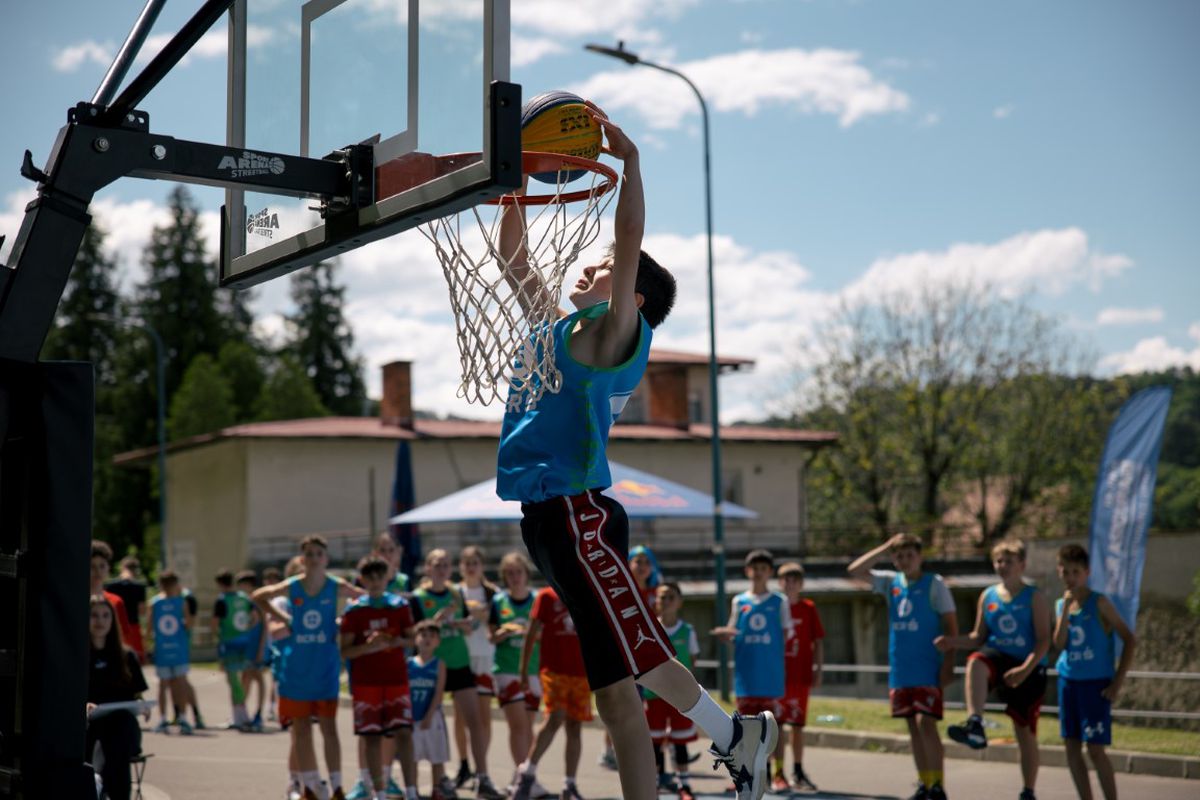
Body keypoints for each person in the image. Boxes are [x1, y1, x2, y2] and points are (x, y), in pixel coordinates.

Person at [496, 104, 776, 800]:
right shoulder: (559, 330)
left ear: (631, 289)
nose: (588, 268)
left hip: (578, 516)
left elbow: (628, 234)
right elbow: (512, 258)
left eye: (603, 266)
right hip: (545, 522)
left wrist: (633, 164)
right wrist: (510, 186)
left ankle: (738, 737)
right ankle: (737, 737)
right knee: (624, 683)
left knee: (635, 666)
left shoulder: (615, 333)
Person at [936, 540, 1050, 800]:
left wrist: (1024, 669)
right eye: (999, 561)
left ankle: (1028, 791)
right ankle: (975, 723)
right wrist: (951, 642)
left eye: (1009, 561)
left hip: (1027, 667)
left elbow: (1044, 640)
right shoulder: (988, 596)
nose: (1003, 566)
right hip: (998, 660)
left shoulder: (1034, 597)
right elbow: (978, 637)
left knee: (1025, 731)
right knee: (976, 660)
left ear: (1022, 565)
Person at [253, 535, 366, 800]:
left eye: (319, 554)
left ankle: (337, 786)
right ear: (302, 560)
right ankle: (310, 787)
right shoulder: (293, 586)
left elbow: (363, 599)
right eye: (310, 554)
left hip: (325, 667)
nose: (314, 559)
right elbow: (259, 596)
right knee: (300, 728)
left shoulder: (335, 586)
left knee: (329, 727)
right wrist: (286, 618)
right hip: (296, 669)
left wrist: (342, 623)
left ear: (326, 559)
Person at [849, 534, 958, 800]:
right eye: (899, 555)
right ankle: (924, 782)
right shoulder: (891, 583)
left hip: (928, 667)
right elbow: (855, 571)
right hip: (901, 669)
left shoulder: (935, 584)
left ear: (920, 557)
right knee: (912, 726)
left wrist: (949, 665)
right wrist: (886, 546)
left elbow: (951, 626)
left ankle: (938, 786)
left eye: (910, 555)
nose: (905, 560)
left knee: (926, 724)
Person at [412, 549, 502, 798]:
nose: (441, 569)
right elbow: (415, 634)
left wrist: (464, 623)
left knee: (475, 721)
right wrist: (439, 622)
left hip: (459, 662)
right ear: (428, 568)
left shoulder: (456, 594)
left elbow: (468, 626)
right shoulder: (419, 597)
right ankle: (432, 781)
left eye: (445, 565)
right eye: (436, 564)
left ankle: (482, 777)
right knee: (430, 723)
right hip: (432, 667)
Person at [1053, 544, 1136, 800]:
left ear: (1086, 572)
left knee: (1096, 749)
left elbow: (1129, 640)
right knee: (1071, 746)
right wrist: (1065, 610)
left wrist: (1116, 683)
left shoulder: (1099, 602)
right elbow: (1058, 644)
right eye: (1065, 572)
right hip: (1069, 682)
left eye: (1075, 572)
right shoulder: (1060, 605)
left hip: (1095, 684)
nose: (1070, 578)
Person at [340, 555, 419, 800]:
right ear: (362, 580)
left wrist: (397, 642)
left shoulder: (399, 606)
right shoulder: (354, 611)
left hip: (396, 679)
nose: (374, 582)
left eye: (379, 577)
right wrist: (368, 647)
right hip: (366, 683)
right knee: (371, 736)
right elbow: (345, 651)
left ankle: (411, 791)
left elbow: (412, 639)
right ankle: (379, 792)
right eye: (369, 578)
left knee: (403, 734)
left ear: (387, 578)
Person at [712, 550, 791, 793]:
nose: (758, 572)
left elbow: (786, 634)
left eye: (763, 568)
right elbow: (734, 632)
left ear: (770, 572)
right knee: (745, 730)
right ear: (747, 571)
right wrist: (725, 635)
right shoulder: (739, 601)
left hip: (771, 675)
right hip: (746, 676)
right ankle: (744, 775)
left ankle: (778, 774)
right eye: (753, 568)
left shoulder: (780, 601)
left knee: (775, 727)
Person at [512, 586, 589, 800]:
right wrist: (524, 670)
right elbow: (531, 631)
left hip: (580, 671)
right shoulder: (546, 596)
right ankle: (527, 774)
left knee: (575, 726)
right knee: (555, 717)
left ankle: (569, 784)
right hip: (553, 671)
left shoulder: (586, 592)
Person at [86, 594, 150, 800]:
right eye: (94, 615)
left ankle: (101, 786)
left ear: (113, 621)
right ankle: (104, 788)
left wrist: (142, 705)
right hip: (90, 728)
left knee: (120, 726)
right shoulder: (78, 656)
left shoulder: (126, 656)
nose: (100, 621)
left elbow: (137, 694)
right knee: (110, 743)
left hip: (123, 729)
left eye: (106, 616)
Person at [488, 551, 542, 795]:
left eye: (518, 572)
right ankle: (524, 779)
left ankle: (521, 776)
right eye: (509, 573)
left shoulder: (537, 599)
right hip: (507, 670)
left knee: (528, 727)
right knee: (518, 726)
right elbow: (492, 636)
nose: (514, 577)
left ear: (526, 573)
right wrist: (505, 632)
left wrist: (527, 632)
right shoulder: (499, 602)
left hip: (533, 670)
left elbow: (546, 634)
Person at [646, 582, 701, 800]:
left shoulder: (688, 631)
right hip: (655, 695)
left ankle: (684, 785)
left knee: (680, 742)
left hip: (680, 698)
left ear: (679, 602)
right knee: (655, 742)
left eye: (670, 597)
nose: (665, 601)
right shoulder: (649, 628)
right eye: (661, 597)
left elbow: (693, 660)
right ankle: (656, 784)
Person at [777, 561, 824, 793]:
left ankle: (797, 769)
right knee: (776, 725)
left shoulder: (808, 607)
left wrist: (819, 668)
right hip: (777, 677)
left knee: (797, 725)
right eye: (786, 579)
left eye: (795, 580)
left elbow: (818, 641)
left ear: (802, 584)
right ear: (779, 582)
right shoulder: (774, 605)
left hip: (801, 673)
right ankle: (775, 772)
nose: (790, 584)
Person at [455, 546, 499, 793]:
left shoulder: (492, 593)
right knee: (461, 717)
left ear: (482, 566)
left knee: (483, 717)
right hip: (462, 657)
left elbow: (495, 618)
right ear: (461, 566)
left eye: (475, 562)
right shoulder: (456, 592)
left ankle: (480, 766)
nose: (471, 566)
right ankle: (464, 765)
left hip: (485, 657)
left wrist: (481, 614)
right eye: (467, 562)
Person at [408, 620, 452, 800]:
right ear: (415, 639)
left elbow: (438, 693)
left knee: (436, 756)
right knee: (412, 757)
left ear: (438, 642)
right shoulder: (408, 664)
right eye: (423, 635)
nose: (427, 639)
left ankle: (436, 789)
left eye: (432, 636)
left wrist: (429, 715)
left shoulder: (439, 664)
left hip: (431, 717)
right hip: (412, 716)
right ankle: (413, 789)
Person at [149, 569, 195, 734]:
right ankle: (180, 717)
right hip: (176, 649)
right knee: (176, 684)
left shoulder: (155, 603)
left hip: (166, 649)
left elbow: (149, 629)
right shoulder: (181, 602)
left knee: (167, 685)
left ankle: (166, 719)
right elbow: (189, 625)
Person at [211, 567, 254, 730]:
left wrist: (218, 637)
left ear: (219, 584)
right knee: (242, 679)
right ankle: (240, 716)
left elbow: (214, 624)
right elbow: (254, 617)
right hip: (245, 641)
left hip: (229, 642)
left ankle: (240, 717)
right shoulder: (244, 598)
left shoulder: (221, 600)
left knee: (233, 680)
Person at [90, 541, 140, 658]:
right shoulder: (76, 601)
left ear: (108, 568)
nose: (98, 571)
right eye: (92, 566)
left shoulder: (115, 601)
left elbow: (124, 637)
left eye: (102, 566)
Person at [236, 568, 270, 731]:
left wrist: (261, 648)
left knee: (258, 677)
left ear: (249, 585)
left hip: (257, 646)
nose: (240, 589)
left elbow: (264, 626)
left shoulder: (258, 600)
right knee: (245, 677)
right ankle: (243, 714)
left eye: (242, 585)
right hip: (246, 646)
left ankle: (259, 713)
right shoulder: (243, 601)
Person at [105, 555, 148, 663]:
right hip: (133, 626)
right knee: (136, 659)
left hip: (115, 626)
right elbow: (142, 611)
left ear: (122, 567)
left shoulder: (110, 585)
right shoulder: (140, 586)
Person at [262, 564, 284, 722]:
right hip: (270, 644)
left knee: (278, 678)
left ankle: (276, 707)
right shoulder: (265, 600)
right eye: (267, 580)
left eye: (272, 580)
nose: (269, 582)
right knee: (274, 677)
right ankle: (271, 707)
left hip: (280, 643)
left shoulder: (280, 600)